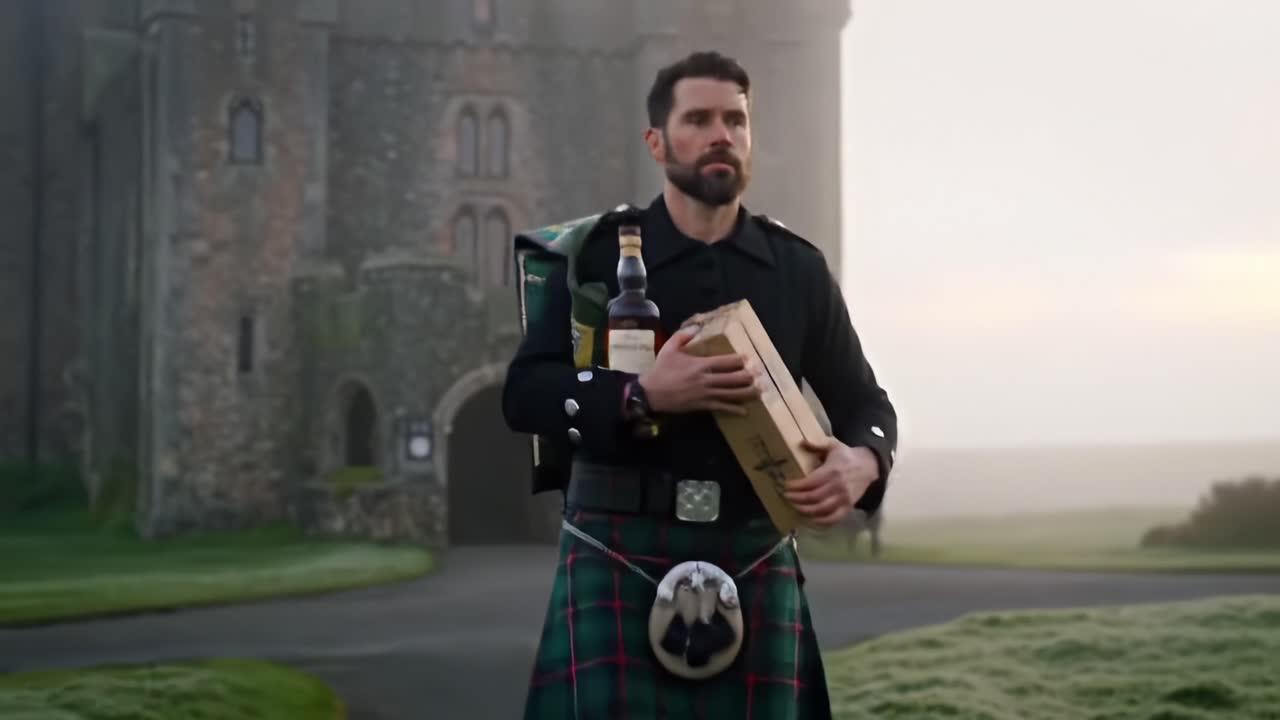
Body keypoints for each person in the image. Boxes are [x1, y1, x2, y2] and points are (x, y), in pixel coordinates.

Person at [502, 50, 898, 720]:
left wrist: (863, 461)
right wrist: (641, 396)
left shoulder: (796, 269)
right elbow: (525, 393)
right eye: (699, 120)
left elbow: (866, 404)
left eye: (735, 121)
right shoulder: (591, 256)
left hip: (755, 551)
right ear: (657, 142)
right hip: (616, 547)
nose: (722, 135)